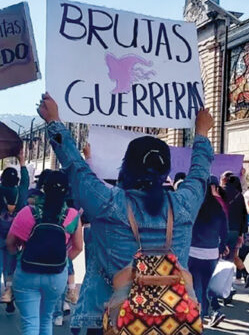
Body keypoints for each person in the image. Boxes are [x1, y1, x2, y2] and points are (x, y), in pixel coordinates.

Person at [37, 93, 214, 335]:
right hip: (172, 321)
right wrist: (202, 133)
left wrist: (54, 121)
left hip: (107, 319)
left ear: (125, 167)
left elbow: (74, 166)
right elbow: (200, 173)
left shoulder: (107, 203)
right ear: (166, 173)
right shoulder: (184, 204)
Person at [6, 171, 83, 335]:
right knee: (46, 319)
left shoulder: (28, 212)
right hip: (56, 276)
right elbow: (77, 248)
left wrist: (21, 256)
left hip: (27, 273)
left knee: (30, 323)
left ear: (43, 188)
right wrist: (62, 260)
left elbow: (10, 245)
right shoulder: (72, 215)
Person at [188, 175, 228, 327]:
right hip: (212, 252)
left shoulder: (195, 206)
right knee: (206, 285)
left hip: (194, 252)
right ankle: (205, 314)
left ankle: (199, 317)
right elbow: (224, 229)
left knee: (196, 285)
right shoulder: (217, 207)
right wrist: (222, 246)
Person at [0, 150, 29, 306]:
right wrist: (22, 161)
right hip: (15, 235)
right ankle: (9, 292)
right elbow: (25, 181)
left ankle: (7, 293)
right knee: (10, 264)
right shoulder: (22, 192)